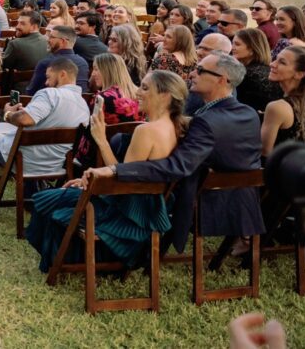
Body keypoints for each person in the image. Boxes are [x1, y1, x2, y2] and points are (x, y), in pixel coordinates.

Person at [85, 51, 265, 255]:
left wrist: (116, 170)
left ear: (222, 80)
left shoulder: (206, 122)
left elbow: (177, 166)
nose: (191, 74)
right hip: (245, 202)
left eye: (200, 70)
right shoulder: (248, 113)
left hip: (210, 203)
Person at [26, 70, 186, 272]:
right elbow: (125, 173)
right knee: (58, 196)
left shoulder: (147, 131)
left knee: (46, 201)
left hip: (125, 209)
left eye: (145, 88)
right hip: (145, 206)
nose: (137, 92)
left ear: (165, 96)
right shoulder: (173, 126)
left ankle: (66, 260)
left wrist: (101, 140)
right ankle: (70, 258)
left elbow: (122, 181)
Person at [0, 57, 89, 209]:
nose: (46, 82)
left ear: (62, 74)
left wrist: (8, 114)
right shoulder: (83, 104)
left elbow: (25, 120)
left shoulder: (50, 94)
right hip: (58, 163)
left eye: (48, 77)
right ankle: (30, 195)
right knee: (31, 141)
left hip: (26, 160)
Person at [261, 45, 305, 156]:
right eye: (275, 59)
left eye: (282, 62)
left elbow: (264, 153)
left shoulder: (278, 108)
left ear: (299, 74)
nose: (272, 64)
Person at [26, 26, 89, 95]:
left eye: (52, 37)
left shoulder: (46, 63)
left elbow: (31, 92)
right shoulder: (83, 62)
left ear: (63, 41)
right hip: (79, 103)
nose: (48, 40)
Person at [232, 28, 282, 114]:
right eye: (232, 43)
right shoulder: (268, 69)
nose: (232, 48)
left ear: (252, 49)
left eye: (237, 44)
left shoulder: (246, 74)